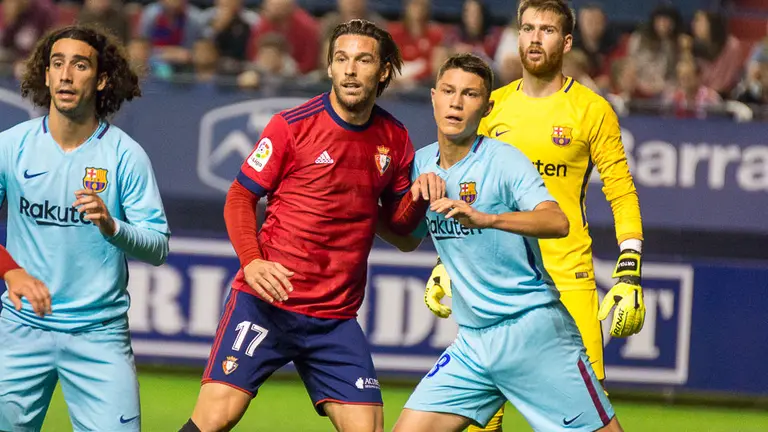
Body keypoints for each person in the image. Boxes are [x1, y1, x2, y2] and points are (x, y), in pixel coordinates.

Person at [180, 19, 444, 432]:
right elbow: (239, 197)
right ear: (329, 68)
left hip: (335, 317)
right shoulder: (291, 125)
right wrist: (252, 262)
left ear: (384, 72)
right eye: (341, 59)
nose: (351, 70)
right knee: (215, 419)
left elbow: (401, 233)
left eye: (363, 60)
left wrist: (419, 198)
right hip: (266, 304)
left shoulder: (394, 138)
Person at [420, 1, 645, 430]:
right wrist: (443, 263)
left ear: (566, 41)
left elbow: (621, 191)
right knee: (482, 419)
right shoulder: (490, 107)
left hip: (568, 279)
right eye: (527, 28)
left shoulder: (591, 110)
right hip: (497, 282)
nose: (535, 38)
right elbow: (464, 187)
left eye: (546, 29)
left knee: (587, 417)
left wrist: (629, 267)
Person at [386, 52, 623, 432]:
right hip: (474, 343)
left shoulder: (505, 160)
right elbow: (407, 240)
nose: (456, 102)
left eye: (470, 94)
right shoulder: (420, 164)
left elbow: (557, 221)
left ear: (487, 107)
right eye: (448, 91)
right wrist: (406, 201)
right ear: (433, 97)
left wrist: (486, 218)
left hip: (532, 333)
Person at [0, 25, 170, 431]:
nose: (66, 75)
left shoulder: (125, 155)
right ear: (45, 75)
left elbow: (159, 247)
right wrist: (11, 269)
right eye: (57, 64)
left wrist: (114, 227)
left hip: (98, 335)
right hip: (21, 328)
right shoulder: (11, 146)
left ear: (102, 79)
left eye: (79, 65)